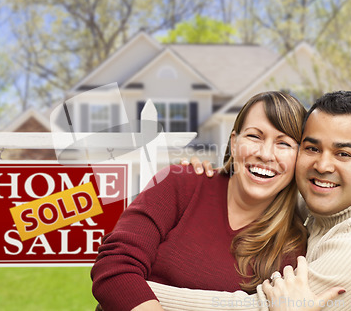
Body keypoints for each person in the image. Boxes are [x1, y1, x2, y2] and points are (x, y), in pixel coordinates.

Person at [149, 91, 351, 310]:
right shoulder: (329, 198)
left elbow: (257, 308)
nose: (323, 165)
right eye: (312, 148)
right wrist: (208, 175)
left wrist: (135, 290)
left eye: (344, 154)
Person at [91, 91, 309, 311]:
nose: (265, 154)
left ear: (300, 158)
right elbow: (115, 266)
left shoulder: (292, 246)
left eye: (284, 144)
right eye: (254, 136)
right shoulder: (180, 184)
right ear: (234, 143)